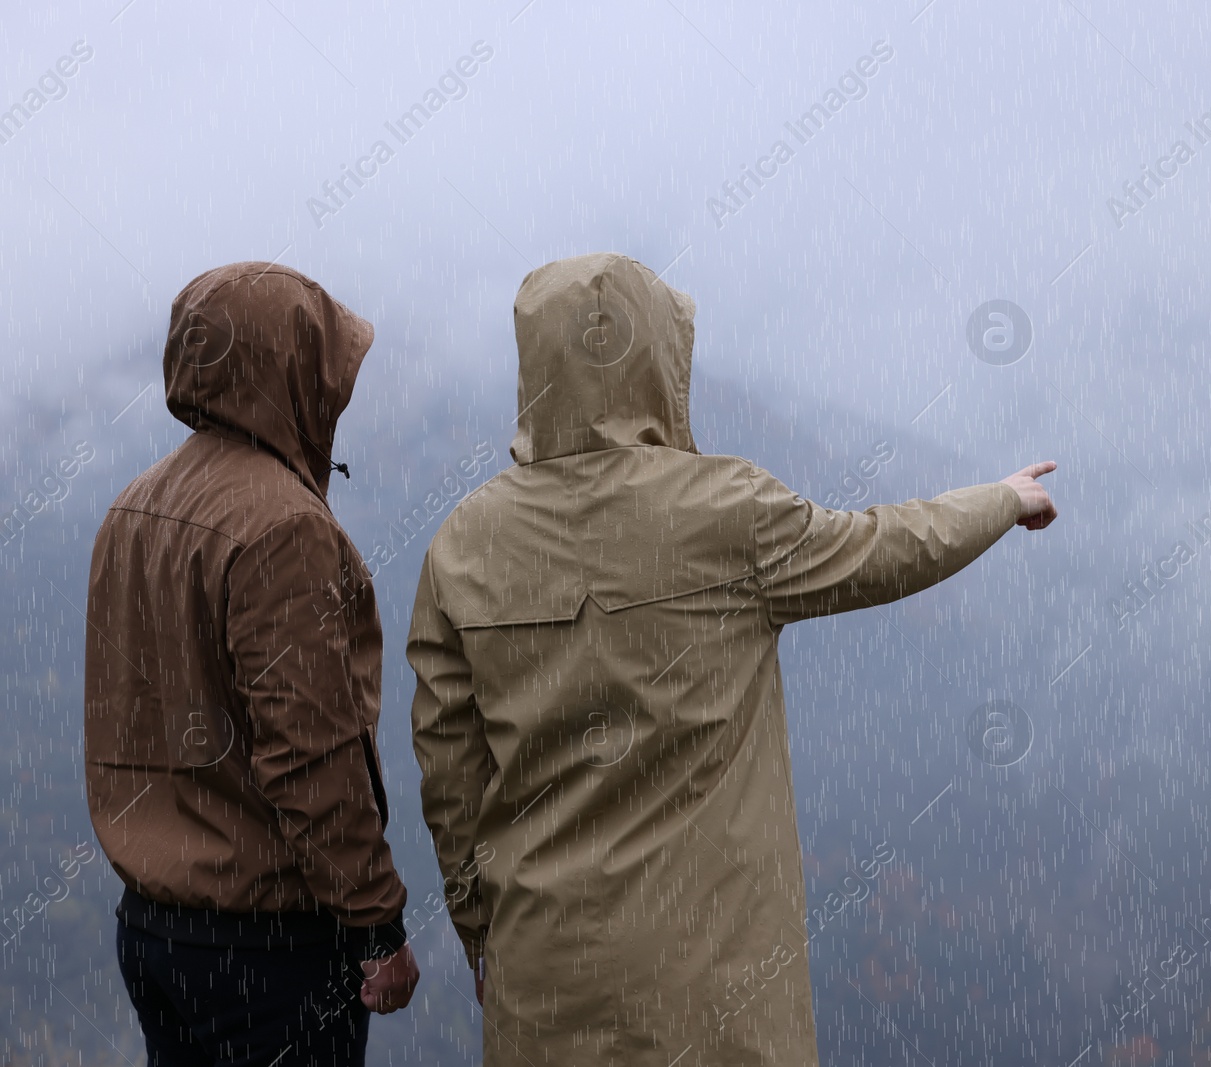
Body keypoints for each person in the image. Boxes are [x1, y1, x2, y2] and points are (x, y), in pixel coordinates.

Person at [407, 252, 1057, 1067]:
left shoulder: (463, 542)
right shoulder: (726, 510)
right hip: (712, 973)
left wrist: (481, 929)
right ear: (657, 359)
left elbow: (447, 768)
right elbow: (885, 548)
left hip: (544, 972)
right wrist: (1000, 499)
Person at [84, 262, 419, 1066]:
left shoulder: (133, 507)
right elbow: (309, 750)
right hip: (266, 951)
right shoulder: (282, 527)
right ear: (288, 369)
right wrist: (375, 925)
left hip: (154, 929)